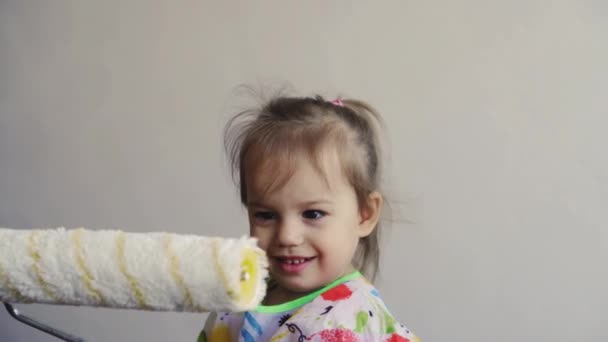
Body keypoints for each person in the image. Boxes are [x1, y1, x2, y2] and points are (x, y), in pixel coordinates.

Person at [199, 93, 419, 341]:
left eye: (313, 214)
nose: (287, 236)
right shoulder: (241, 294)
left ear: (364, 215)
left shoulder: (344, 325)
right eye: (266, 215)